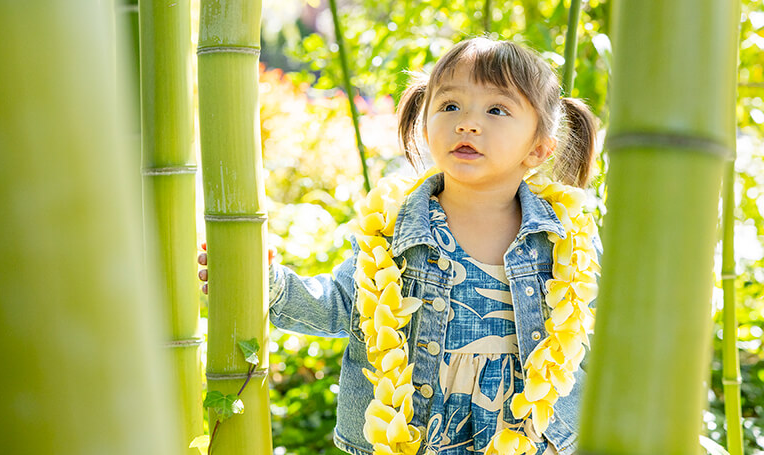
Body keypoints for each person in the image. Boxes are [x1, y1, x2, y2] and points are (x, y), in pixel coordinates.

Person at [199, 36, 601, 455]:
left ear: (538, 147)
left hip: (531, 442)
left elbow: (601, 340)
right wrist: (263, 282)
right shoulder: (394, 232)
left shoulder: (563, 239)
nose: (467, 123)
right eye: (449, 106)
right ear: (425, 123)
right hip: (415, 440)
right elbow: (339, 304)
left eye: (496, 110)